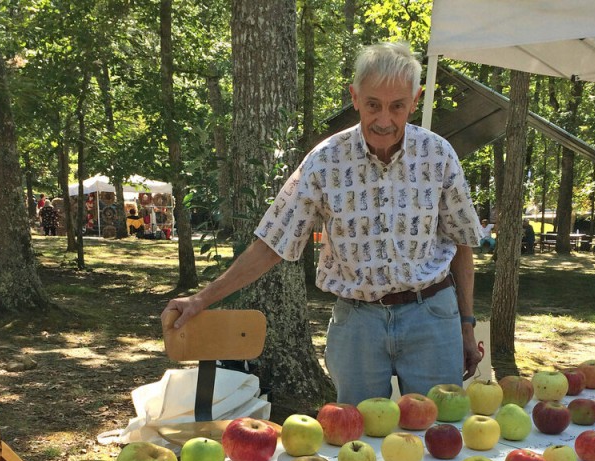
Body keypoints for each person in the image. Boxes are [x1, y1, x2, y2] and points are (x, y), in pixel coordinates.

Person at [163, 42, 483, 405]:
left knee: (437, 432)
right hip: (358, 322)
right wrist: (202, 298)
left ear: (415, 99)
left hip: (432, 314)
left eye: (397, 106)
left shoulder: (438, 155)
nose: (383, 120)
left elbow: (462, 243)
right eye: (373, 104)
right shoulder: (326, 161)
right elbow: (272, 243)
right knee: (358, 438)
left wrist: (467, 326)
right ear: (355, 97)